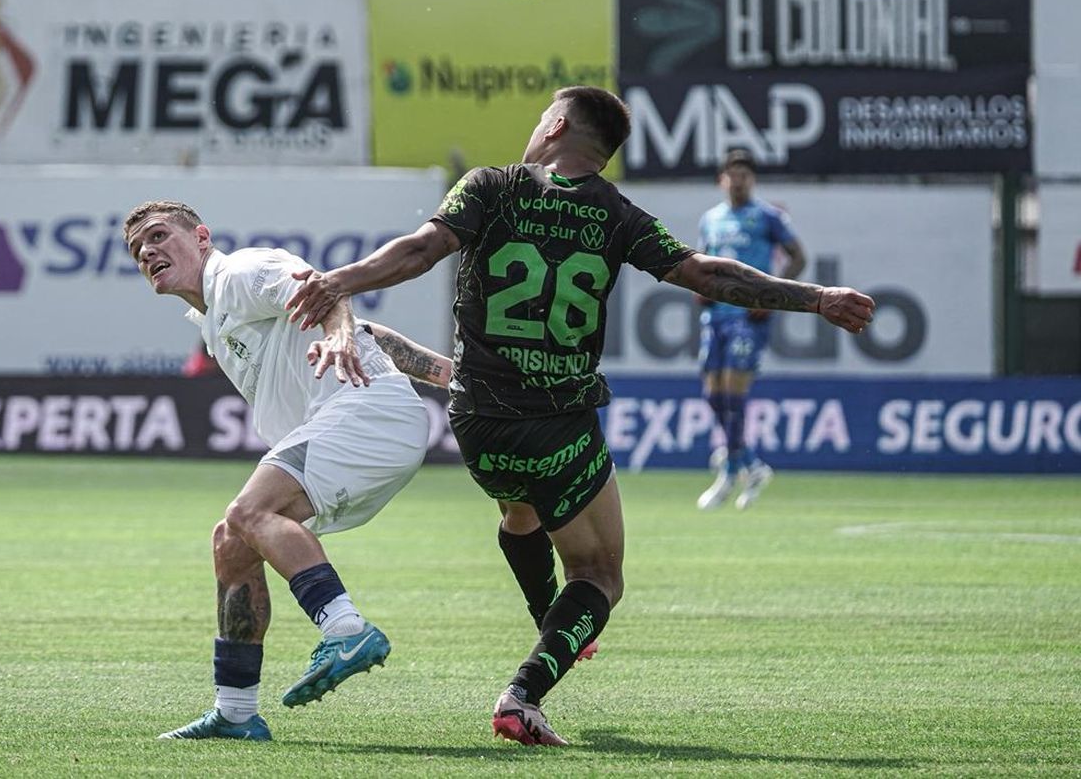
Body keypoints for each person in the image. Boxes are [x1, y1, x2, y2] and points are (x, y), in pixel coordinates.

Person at [284, 86, 875, 747]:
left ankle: (552, 619)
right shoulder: (616, 213)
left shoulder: (490, 186)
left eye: (542, 116)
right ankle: (524, 694)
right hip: (557, 421)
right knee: (599, 577)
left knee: (521, 515)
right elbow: (707, 275)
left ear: (557, 124)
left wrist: (339, 281)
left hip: (476, 421)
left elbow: (422, 250)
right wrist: (815, 297)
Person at [123, 199, 436, 742]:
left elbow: (324, 290)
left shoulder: (240, 273)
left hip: (366, 413)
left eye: (158, 235)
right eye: (137, 250)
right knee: (231, 542)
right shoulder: (212, 317)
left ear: (201, 237)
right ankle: (235, 712)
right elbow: (369, 333)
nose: (147, 251)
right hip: (359, 423)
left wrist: (338, 334)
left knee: (249, 512)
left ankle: (345, 628)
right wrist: (448, 374)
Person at [695, 149, 807, 511]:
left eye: (745, 175)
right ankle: (750, 463)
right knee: (713, 394)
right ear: (721, 180)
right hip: (716, 317)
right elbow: (703, 260)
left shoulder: (767, 217)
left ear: (752, 180)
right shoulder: (711, 219)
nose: (739, 181)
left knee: (733, 391)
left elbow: (798, 257)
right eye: (733, 174)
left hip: (747, 316)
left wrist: (773, 295)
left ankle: (729, 471)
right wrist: (700, 287)